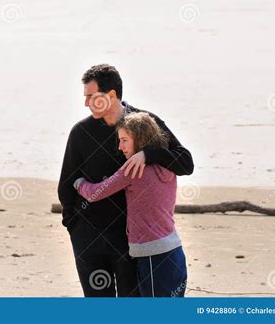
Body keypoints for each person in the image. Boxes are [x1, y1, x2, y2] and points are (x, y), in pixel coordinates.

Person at [57, 63, 193, 297]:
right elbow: (67, 183)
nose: (86, 103)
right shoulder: (80, 132)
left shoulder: (143, 124)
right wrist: (74, 227)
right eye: (85, 97)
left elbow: (185, 163)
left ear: (111, 95)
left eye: (91, 96)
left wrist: (149, 154)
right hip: (89, 239)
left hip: (129, 243)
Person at [74, 112, 187, 297]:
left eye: (124, 140)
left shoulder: (133, 169)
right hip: (174, 251)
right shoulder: (169, 165)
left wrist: (78, 183)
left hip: (152, 255)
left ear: (139, 138)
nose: (120, 147)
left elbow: (96, 193)